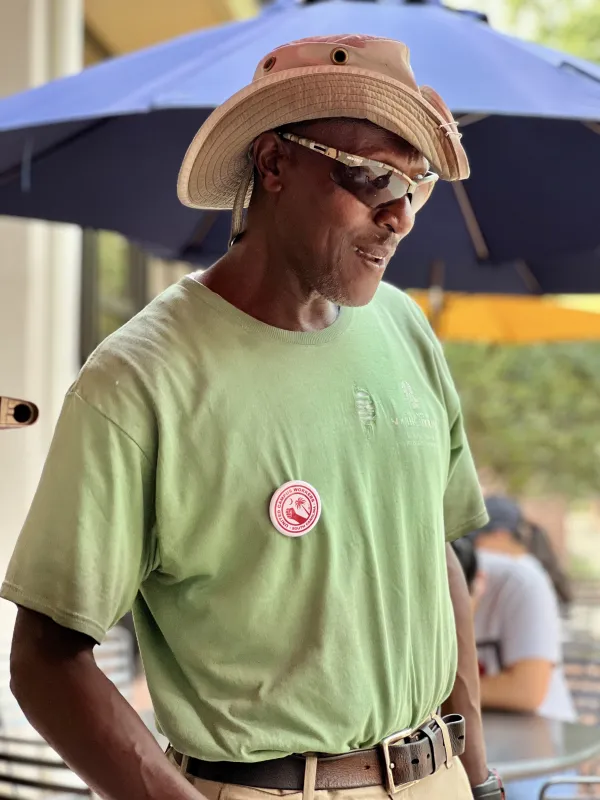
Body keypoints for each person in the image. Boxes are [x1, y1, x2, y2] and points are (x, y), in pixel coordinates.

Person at [2, 35, 503, 800]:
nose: (399, 216)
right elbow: (45, 659)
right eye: (371, 178)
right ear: (274, 165)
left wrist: (477, 778)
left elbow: (429, 556)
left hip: (440, 778)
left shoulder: (404, 330)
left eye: (417, 185)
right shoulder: (140, 379)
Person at [470, 496, 576, 722]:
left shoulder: (522, 577)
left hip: (538, 734)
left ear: (500, 536)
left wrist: (433, 693)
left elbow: (526, 692)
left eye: (470, 540)